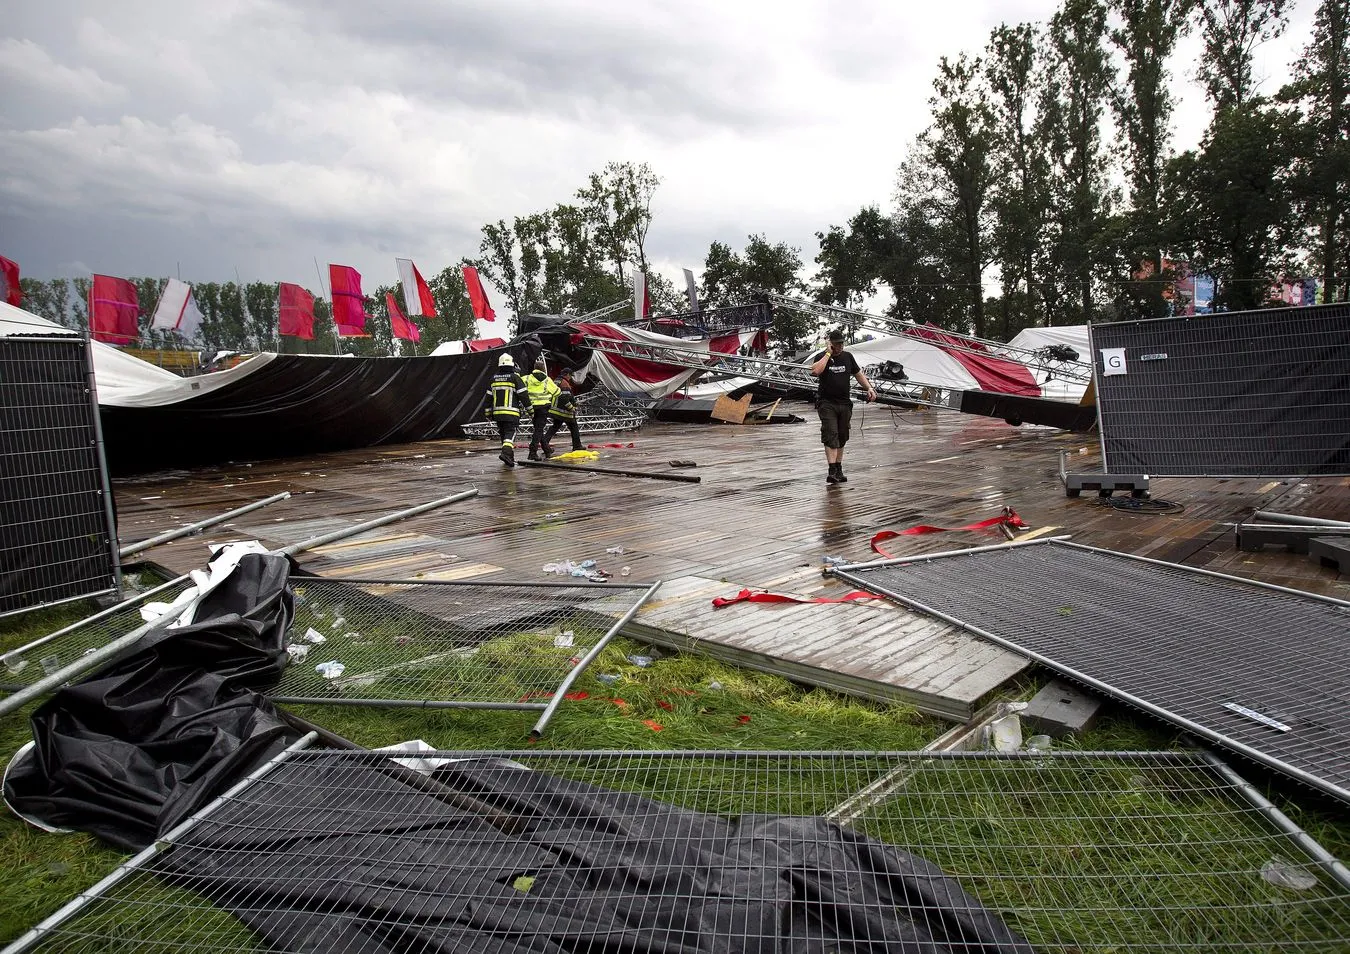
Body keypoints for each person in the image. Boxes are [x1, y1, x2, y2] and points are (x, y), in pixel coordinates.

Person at [810, 328, 875, 484]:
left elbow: (858, 373)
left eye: (841, 344)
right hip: (827, 403)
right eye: (836, 344)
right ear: (830, 344)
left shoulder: (848, 357)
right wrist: (827, 354)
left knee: (842, 435)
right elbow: (816, 371)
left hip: (844, 403)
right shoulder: (822, 357)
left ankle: (838, 468)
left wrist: (869, 388)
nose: (840, 347)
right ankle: (831, 470)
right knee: (830, 434)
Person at [484, 353, 528, 467]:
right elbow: (523, 395)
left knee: (504, 435)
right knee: (510, 433)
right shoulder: (515, 378)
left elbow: (488, 397)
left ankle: (509, 458)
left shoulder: (493, 378)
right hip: (511, 413)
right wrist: (530, 410)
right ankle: (505, 453)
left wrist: (488, 412)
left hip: (497, 414)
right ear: (511, 365)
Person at [524, 357, 561, 461]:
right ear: (543, 368)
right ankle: (533, 451)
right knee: (539, 429)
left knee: (538, 429)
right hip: (543, 407)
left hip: (531, 407)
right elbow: (557, 392)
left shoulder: (526, 378)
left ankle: (547, 449)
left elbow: (518, 385)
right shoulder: (547, 380)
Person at [541, 369, 584, 456]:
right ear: (567, 374)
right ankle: (577, 446)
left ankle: (544, 443)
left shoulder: (556, 381)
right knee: (574, 427)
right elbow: (565, 398)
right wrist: (572, 407)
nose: (571, 378)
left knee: (555, 427)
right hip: (564, 411)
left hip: (556, 410)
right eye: (570, 376)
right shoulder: (564, 383)